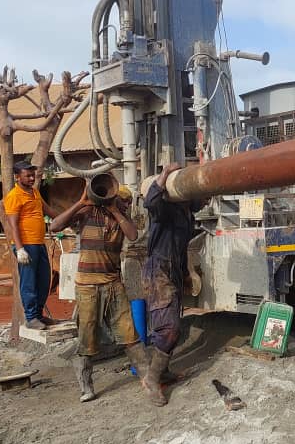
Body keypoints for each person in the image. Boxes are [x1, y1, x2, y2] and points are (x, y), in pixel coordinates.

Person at [50, 184, 153, 403]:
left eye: (126, 202)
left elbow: (133, 235)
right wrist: (81, 202)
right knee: (87, 340)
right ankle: (86, 387)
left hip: (113, 285)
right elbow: (55, 226)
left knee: (130, 336)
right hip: (87, 287)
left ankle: (148, 380)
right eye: (122, 201)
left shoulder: (121, 220)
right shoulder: (87, 214)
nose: (126, 205)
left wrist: (117, 211)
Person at [138, 163, 196, 407]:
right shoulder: (166, 210)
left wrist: (184, 274)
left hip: (172, 270)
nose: (205, 202)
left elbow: (180, 248)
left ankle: (164, 370)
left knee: (173, 323)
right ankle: (152, 378)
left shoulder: (186, 215)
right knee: (169, 327)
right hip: (158, 270)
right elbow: (151, 202)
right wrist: (163, 176)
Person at [3, 161, 58, 331]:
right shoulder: (14, 196)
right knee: (29, 282)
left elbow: (48, 210)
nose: (32, 178)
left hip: (39, 243)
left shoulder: (34, 192)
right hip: (26, 245)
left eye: (32, 175)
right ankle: (31, 317)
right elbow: (13, 225)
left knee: (44, 280)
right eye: (27, 175)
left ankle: (39, 314)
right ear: (17, 177)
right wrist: (19, 249)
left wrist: (67, 220)